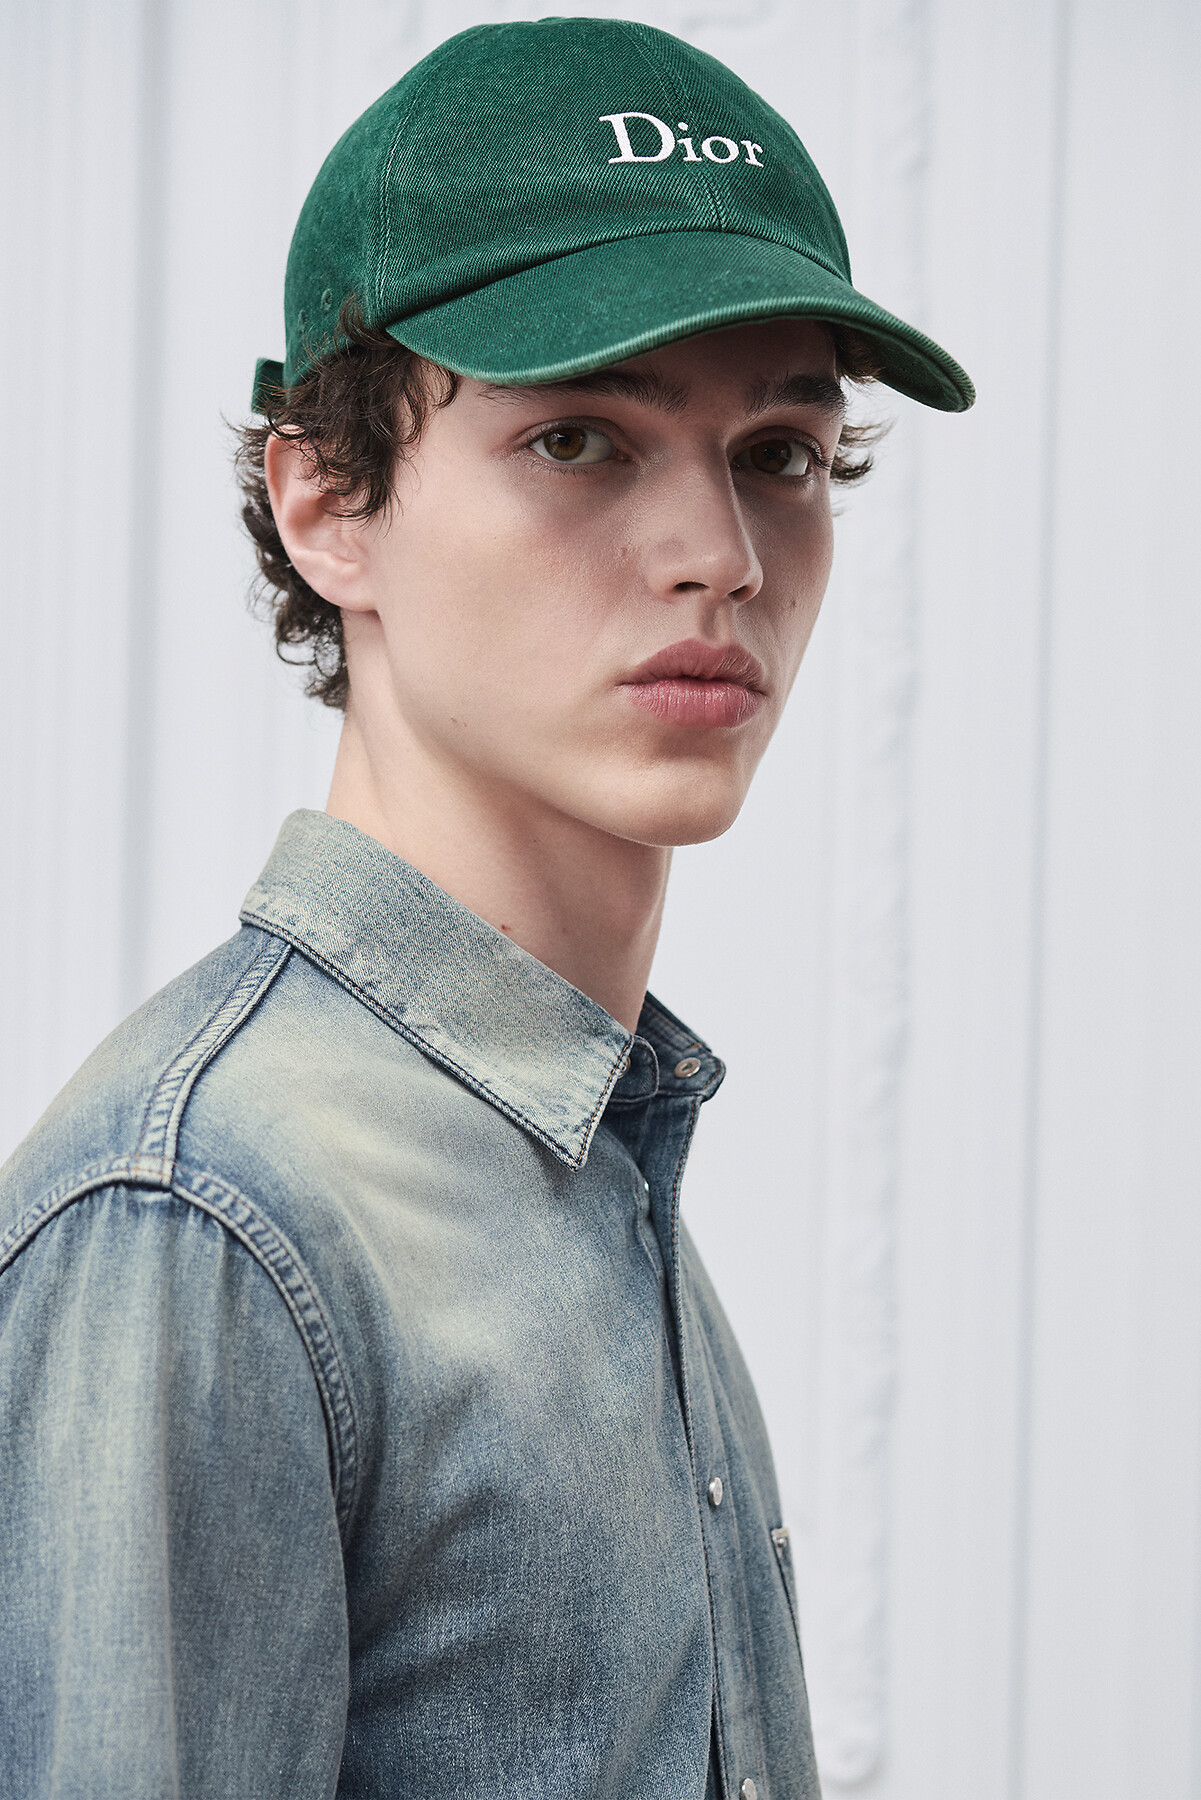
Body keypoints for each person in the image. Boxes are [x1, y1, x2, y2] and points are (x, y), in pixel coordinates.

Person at [0, 18, 971, 1798]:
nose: (719, 557)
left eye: (777, 451)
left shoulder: (587, 1151)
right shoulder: (208, 1219)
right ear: (327, 501)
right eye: (581, 439)